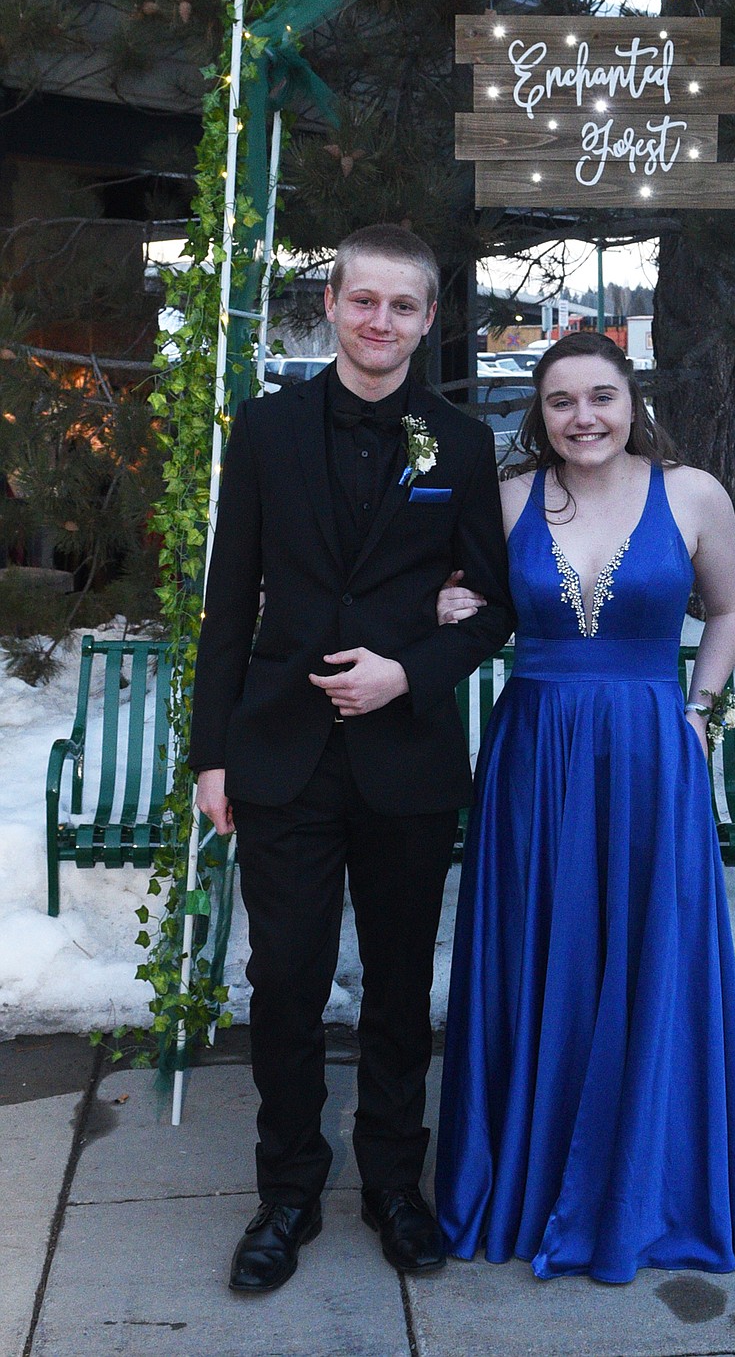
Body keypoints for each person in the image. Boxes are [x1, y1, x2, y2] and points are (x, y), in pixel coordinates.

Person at [188, 223, 514, 1292]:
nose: (381, 322)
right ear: (330, 304)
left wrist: (408, 672)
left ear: (428, 321)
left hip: (405, 758)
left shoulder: (459, 444)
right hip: (281, 754)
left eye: (404, 307)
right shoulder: (267, 430)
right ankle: (286, 1190)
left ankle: (391, 1183)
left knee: (394, 986)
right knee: (282, 981)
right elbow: (228, 603)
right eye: (363, 301)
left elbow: (493, 610)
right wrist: (212, 756)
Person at [434, 331, 735, 1282]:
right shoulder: (504, 501)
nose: (582, 416)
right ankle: (532, 1179)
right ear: (537, 414)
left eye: (601, 397)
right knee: (539, 953)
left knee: (647, 952)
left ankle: (647, 1183)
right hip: (535, 755)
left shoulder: (693, 492)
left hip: (648, 751)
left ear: (632, 402)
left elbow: (729, 608)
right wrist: (455, 602)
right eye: (560, 401)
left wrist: (701, 708)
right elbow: (461, 595)